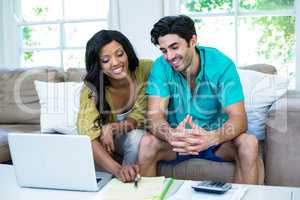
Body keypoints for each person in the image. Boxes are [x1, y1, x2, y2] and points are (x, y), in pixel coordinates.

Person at [138, 15, 259, 184]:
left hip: (216, 142)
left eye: (174, 47)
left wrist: (212, 138)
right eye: (164, 50)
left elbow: (239, 118)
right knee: (147, 143)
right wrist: (171, 135)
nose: (169, 56)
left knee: (249, 142)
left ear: (193, 40)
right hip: (177, 143)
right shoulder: (161, 67)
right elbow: (155, 116)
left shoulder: (221, 65)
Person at [77, 30, 152, 182]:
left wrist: (112, 127)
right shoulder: (91, 89)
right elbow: (89, 136)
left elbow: (140, 115)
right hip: (107, 140)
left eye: (119, 54)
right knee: (136, 136)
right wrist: (118, 170)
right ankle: (124, 181)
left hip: (140, 132)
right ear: (98, 65)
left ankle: (128, 184)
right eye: (105, 60)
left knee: (138, 135)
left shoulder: (146, 69)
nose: (116, 63)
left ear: (127, 51)